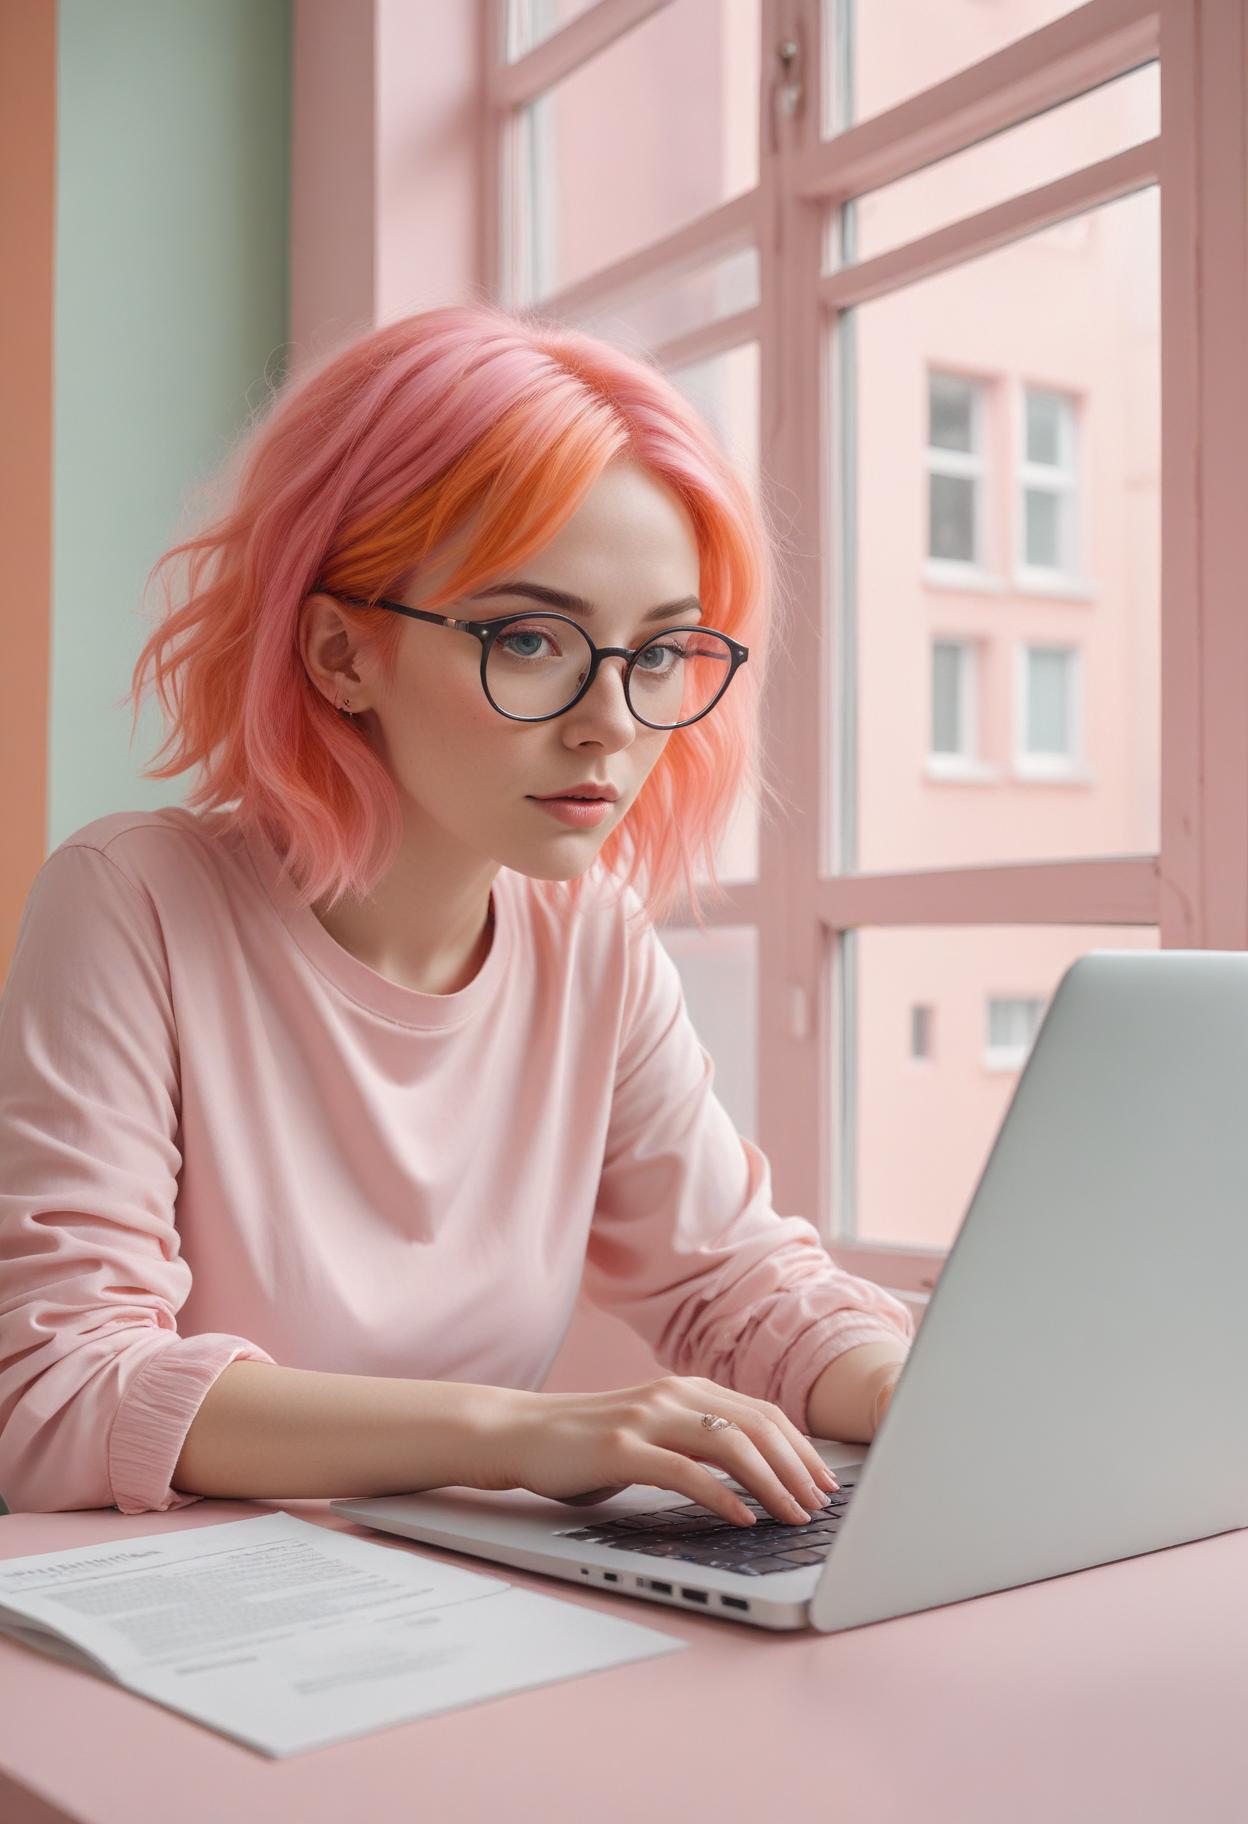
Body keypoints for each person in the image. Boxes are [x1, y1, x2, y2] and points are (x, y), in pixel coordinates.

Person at [0, 301, 913, 1527]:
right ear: (339, 654)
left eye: (658, 653)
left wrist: (934, 1398)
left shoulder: (589, 940)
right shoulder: (134, 903)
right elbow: (53, 1392)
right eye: (533, 638)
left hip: (465, 1611)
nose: (615, 722)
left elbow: (733, 1285)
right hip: (192, 1636)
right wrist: (518, 1437)